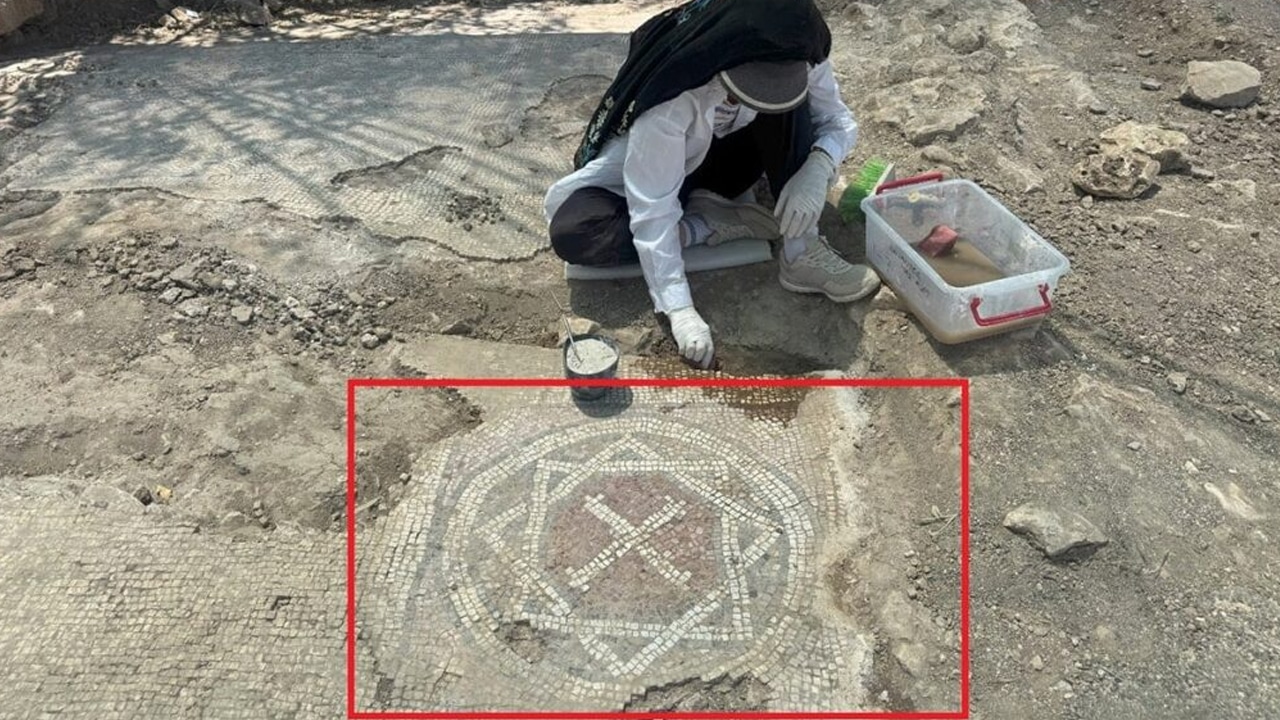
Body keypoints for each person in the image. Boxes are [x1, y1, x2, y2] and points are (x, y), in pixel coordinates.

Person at [544, 0, 880, 369]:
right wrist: (679, 308)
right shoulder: (672, 95)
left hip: (731, 165)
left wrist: (819, 164)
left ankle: (802, 252)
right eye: (746, 88)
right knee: (576, 233)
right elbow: (652, 206)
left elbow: (836, 120)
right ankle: (706, 223)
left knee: (793, 104)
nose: (751, 96)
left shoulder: (799, 42)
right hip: (662, 166)